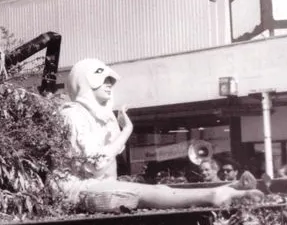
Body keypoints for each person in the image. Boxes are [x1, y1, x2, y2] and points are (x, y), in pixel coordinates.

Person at [60, 59, 263, 211]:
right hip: (77, 190)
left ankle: (227, 189)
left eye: (111, 80)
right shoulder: (71, 114)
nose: (109, 85)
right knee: (150, 192)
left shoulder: (99, 117)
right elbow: (96, 164)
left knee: (161, 190)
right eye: (103, 79)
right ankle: (215, 194)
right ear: (84, 82)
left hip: (96, 186)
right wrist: (126, 131)